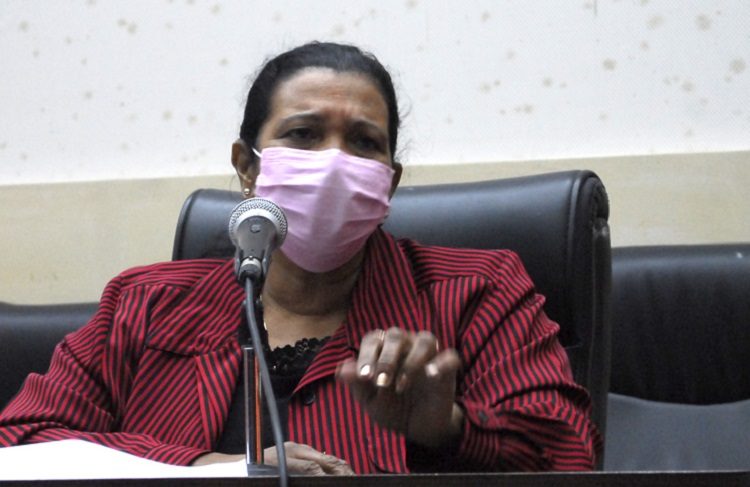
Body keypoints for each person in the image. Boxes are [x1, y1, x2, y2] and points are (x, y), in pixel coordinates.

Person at [0, 42, 600, 474]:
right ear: (247, 166)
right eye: (304, 135)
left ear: (388, 182)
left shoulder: (476, 293)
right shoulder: (147, 303)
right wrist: (213, 468)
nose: (335, 161)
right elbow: (21, 441)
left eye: (364, 142)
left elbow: (572, 455)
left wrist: (448, 428)